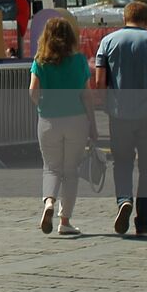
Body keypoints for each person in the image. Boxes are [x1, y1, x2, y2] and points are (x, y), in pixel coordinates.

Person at [94, 1, 147, 237]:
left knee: (121, 163)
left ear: (125, 18)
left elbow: (100, 82)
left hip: (118, 115)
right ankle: (143, 223)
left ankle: (123, 201)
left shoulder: (108, 41)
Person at [29, 18, 96, 235]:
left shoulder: (40, 61)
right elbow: (87, 95)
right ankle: (64, 221)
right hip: (76, 119)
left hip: (48, 121)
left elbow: (32, 92)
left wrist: (44, 104)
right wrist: (93, 125)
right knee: (70, 171)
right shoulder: (79, 61)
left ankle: (49, 202)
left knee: (51, 167)